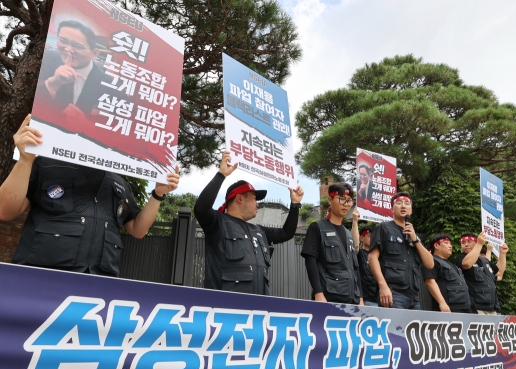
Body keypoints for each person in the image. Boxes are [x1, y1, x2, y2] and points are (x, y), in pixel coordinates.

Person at [0, 115, 180, 276]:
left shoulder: (120, 183)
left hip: (96, 287)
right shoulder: (45, 164)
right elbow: (5, 211)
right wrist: (25, 159)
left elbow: (138, 230)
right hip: (39, 278)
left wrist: (158, 195)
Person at [193, 151, 304, 295]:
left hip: (258, 308)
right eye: (254, 199)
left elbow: (287, 233)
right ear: (239, 199)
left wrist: (295, 204)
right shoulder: (218, 223)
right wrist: (221, 175)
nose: (257, 204)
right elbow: (201, 209)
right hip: (225, 308)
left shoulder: (259, 230)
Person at [368, 192, 434, 309]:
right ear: (392, 208)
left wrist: (415, 240)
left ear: (411, 210)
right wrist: (383, 286)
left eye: (407, 203)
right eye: (399, 203)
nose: (403, 206)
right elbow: (372, 257)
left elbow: (430, 264)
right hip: (393, 293)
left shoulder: (413, 235)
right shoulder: (383, 228)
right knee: (394, 327)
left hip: (414, 297)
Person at [301, 183, 363, 305]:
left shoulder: (348, 234)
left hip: (353, 300)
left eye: (349, 201)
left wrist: (360, 297)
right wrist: (318, 293)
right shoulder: (317, 227)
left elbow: (355, 268)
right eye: (341, 199)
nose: (346, 204)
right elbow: (310, 261)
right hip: (330, 298)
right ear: (330, 199)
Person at [37, 20, 109, 118]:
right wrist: (53, 83)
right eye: (63, 41)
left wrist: (85, 125)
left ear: (94, 53)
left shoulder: (106, 82)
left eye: (77, 46)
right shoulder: (45, 58)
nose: (68, 49)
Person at [455, 232, 508, 314]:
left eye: (469, 242)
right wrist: (479, 244)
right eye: (463, 243)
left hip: (493, 307)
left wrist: (502, 254)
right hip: (475, 308)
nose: (466, 244)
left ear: (475, 242)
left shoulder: (484, 260)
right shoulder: (460, 258)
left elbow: (499, 272)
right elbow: (467, 264)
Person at [423, 233, 472, 313]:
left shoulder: (452, 264)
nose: (450, 246)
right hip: (448, 308)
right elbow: (430, 282)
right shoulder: (431, 261)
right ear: (436, 246)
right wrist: (442, 303)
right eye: (446, 243)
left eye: (450, 244)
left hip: (464, 307)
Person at [356, 225, 379, 307]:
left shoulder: (380, 256)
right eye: (369, 236)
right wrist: (355, 222)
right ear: (361, 238)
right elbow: (356, 246)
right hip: (367, 300)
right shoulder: (360, 254)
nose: (373, 239)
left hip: (381, 299)